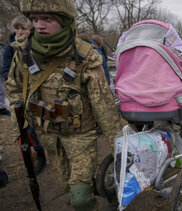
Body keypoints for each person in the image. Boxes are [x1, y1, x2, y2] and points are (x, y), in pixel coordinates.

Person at [6, 0, 122, 210]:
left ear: (65, 20)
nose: (39, 25)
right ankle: (98, 188)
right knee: (66, 185)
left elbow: (103, 106)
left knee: (80, 199)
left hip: (80, 137)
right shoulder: (23, 52)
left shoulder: (86, 56)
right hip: (48, 136)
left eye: (47, 19)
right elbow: (14, 90)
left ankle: (92, 196)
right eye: (34, 19)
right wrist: (20, 128)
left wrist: (119, 147)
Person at [3, 15, 47, 174]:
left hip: (37, 90)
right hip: (19, 93)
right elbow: (6, 70)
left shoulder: (36, 45)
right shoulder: (11, 47)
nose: (19, 32)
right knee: (26, 127)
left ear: (31, 30)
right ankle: (39, 153)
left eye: (23, 29)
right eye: (17, 28)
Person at [0, 32, 10, 116]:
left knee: (2, 91)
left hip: (1, 72)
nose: (1, 35)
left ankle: (2, 108)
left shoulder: (2, 47)